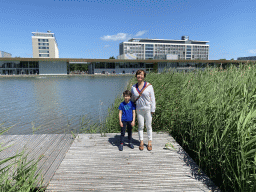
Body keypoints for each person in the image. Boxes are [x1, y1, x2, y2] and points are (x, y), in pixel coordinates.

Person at [131, 70, 156, 151]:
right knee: (141, 126)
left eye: (141, 74)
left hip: (148, 109)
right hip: (139, 109)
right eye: (138, 74)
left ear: (144, 76)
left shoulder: (149, 86)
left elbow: (153, 98)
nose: (140, 76)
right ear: (136, 76)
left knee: (148, 126)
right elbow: (132, 99)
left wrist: (153, 109)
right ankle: (141, 141)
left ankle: (149, 142)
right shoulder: (133, 87)